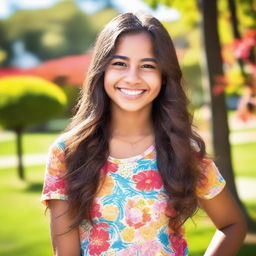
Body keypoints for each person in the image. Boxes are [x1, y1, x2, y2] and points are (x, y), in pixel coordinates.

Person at [41, 12, 247, 256]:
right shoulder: (67, 152)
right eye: (120, 63)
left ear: (163, 75)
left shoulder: (183, 149)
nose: (132, 77)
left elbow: (233, 225)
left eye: (147, 65)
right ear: (102, 70)